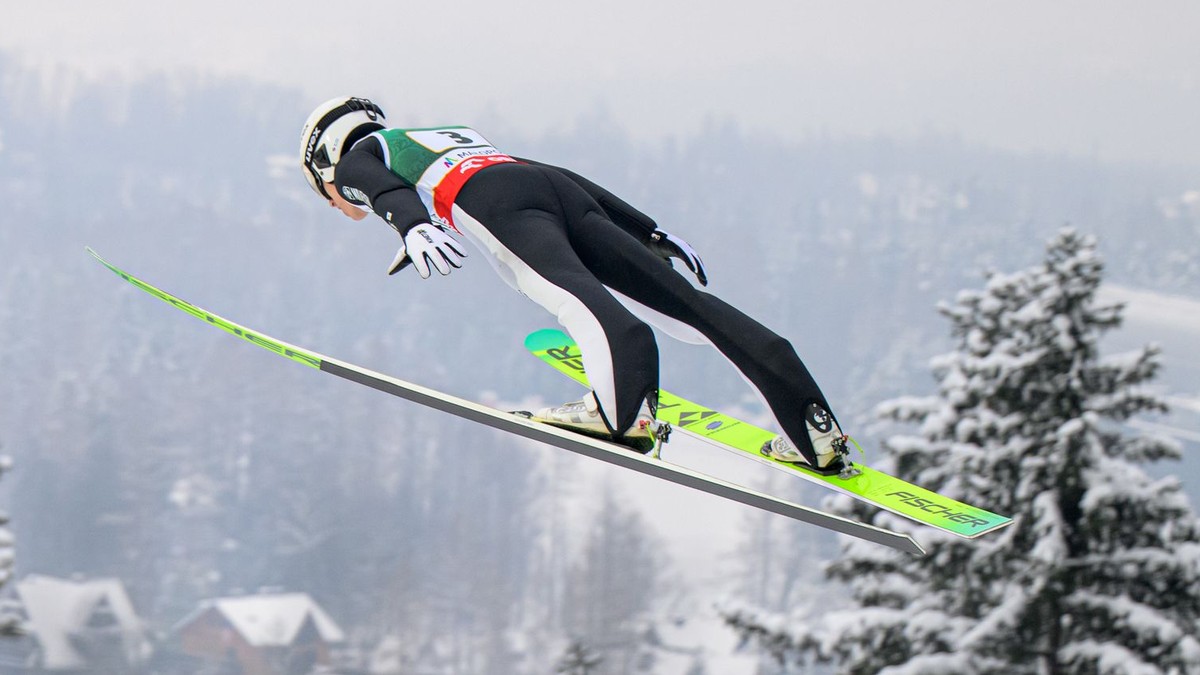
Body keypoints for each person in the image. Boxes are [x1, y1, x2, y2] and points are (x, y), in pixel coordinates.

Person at [299, 96, 849, 472]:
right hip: (551, 188)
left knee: (575, 296)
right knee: (691, 308)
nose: (336, 200)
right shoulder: (442, 133)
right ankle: (813, 429)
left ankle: (621, 413)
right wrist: (644, 230)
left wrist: (411, 222)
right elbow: (554, 173)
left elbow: (368, 181)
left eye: (324, 192)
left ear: (324, 159)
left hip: (495, 200)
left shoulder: (355, 158)